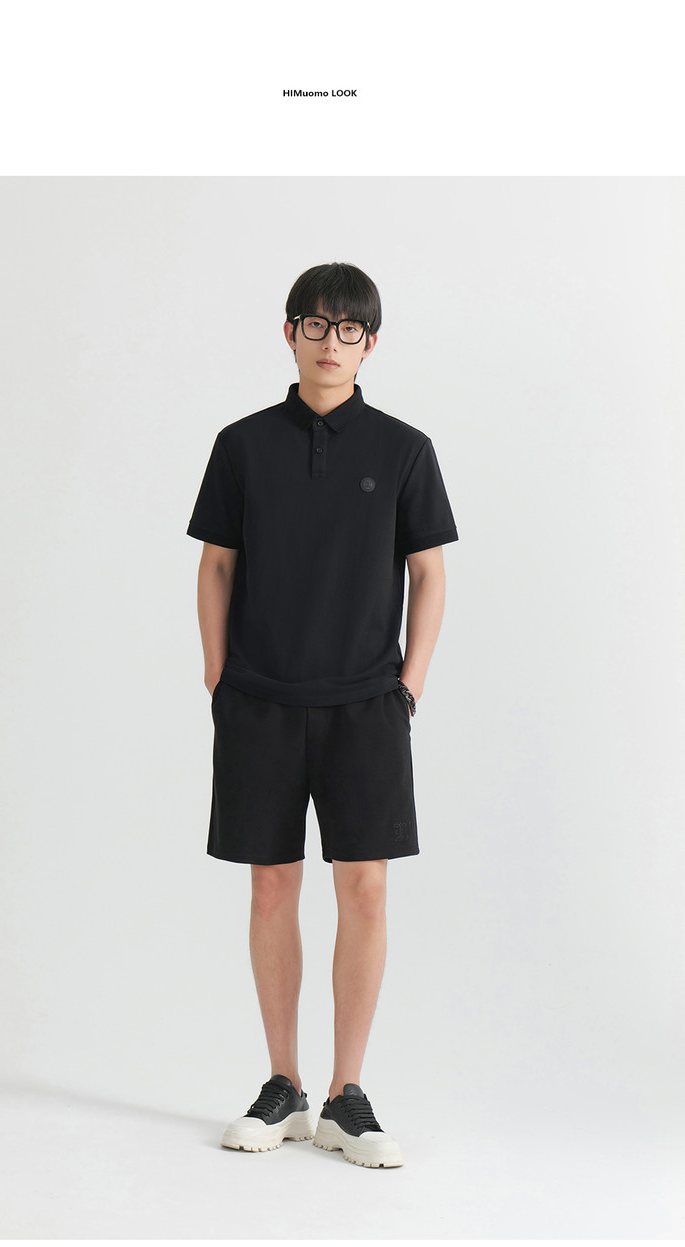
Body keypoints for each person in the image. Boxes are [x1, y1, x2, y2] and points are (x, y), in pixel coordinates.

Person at [186, 262, 458, 1169]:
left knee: (365, 889)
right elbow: (216, 563)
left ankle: (347, 1094)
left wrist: (408, 683)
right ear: (290, 332)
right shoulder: (242, 444)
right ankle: (284, 1083)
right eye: (315, 324)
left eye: (349, 329)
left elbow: (429, 571)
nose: (330, 342)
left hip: (366, 705)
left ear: (370, 343)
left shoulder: (405, 447)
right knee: (271, 886)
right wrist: (219, 677)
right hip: (259, 700)